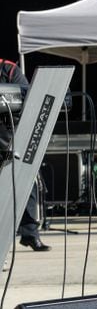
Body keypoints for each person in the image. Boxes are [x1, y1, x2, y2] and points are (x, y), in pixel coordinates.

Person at [0, 59, 50, 251]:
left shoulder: (8, 69)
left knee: (25, 183)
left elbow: (27, 94)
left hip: (10, 136)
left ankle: (29, 233)